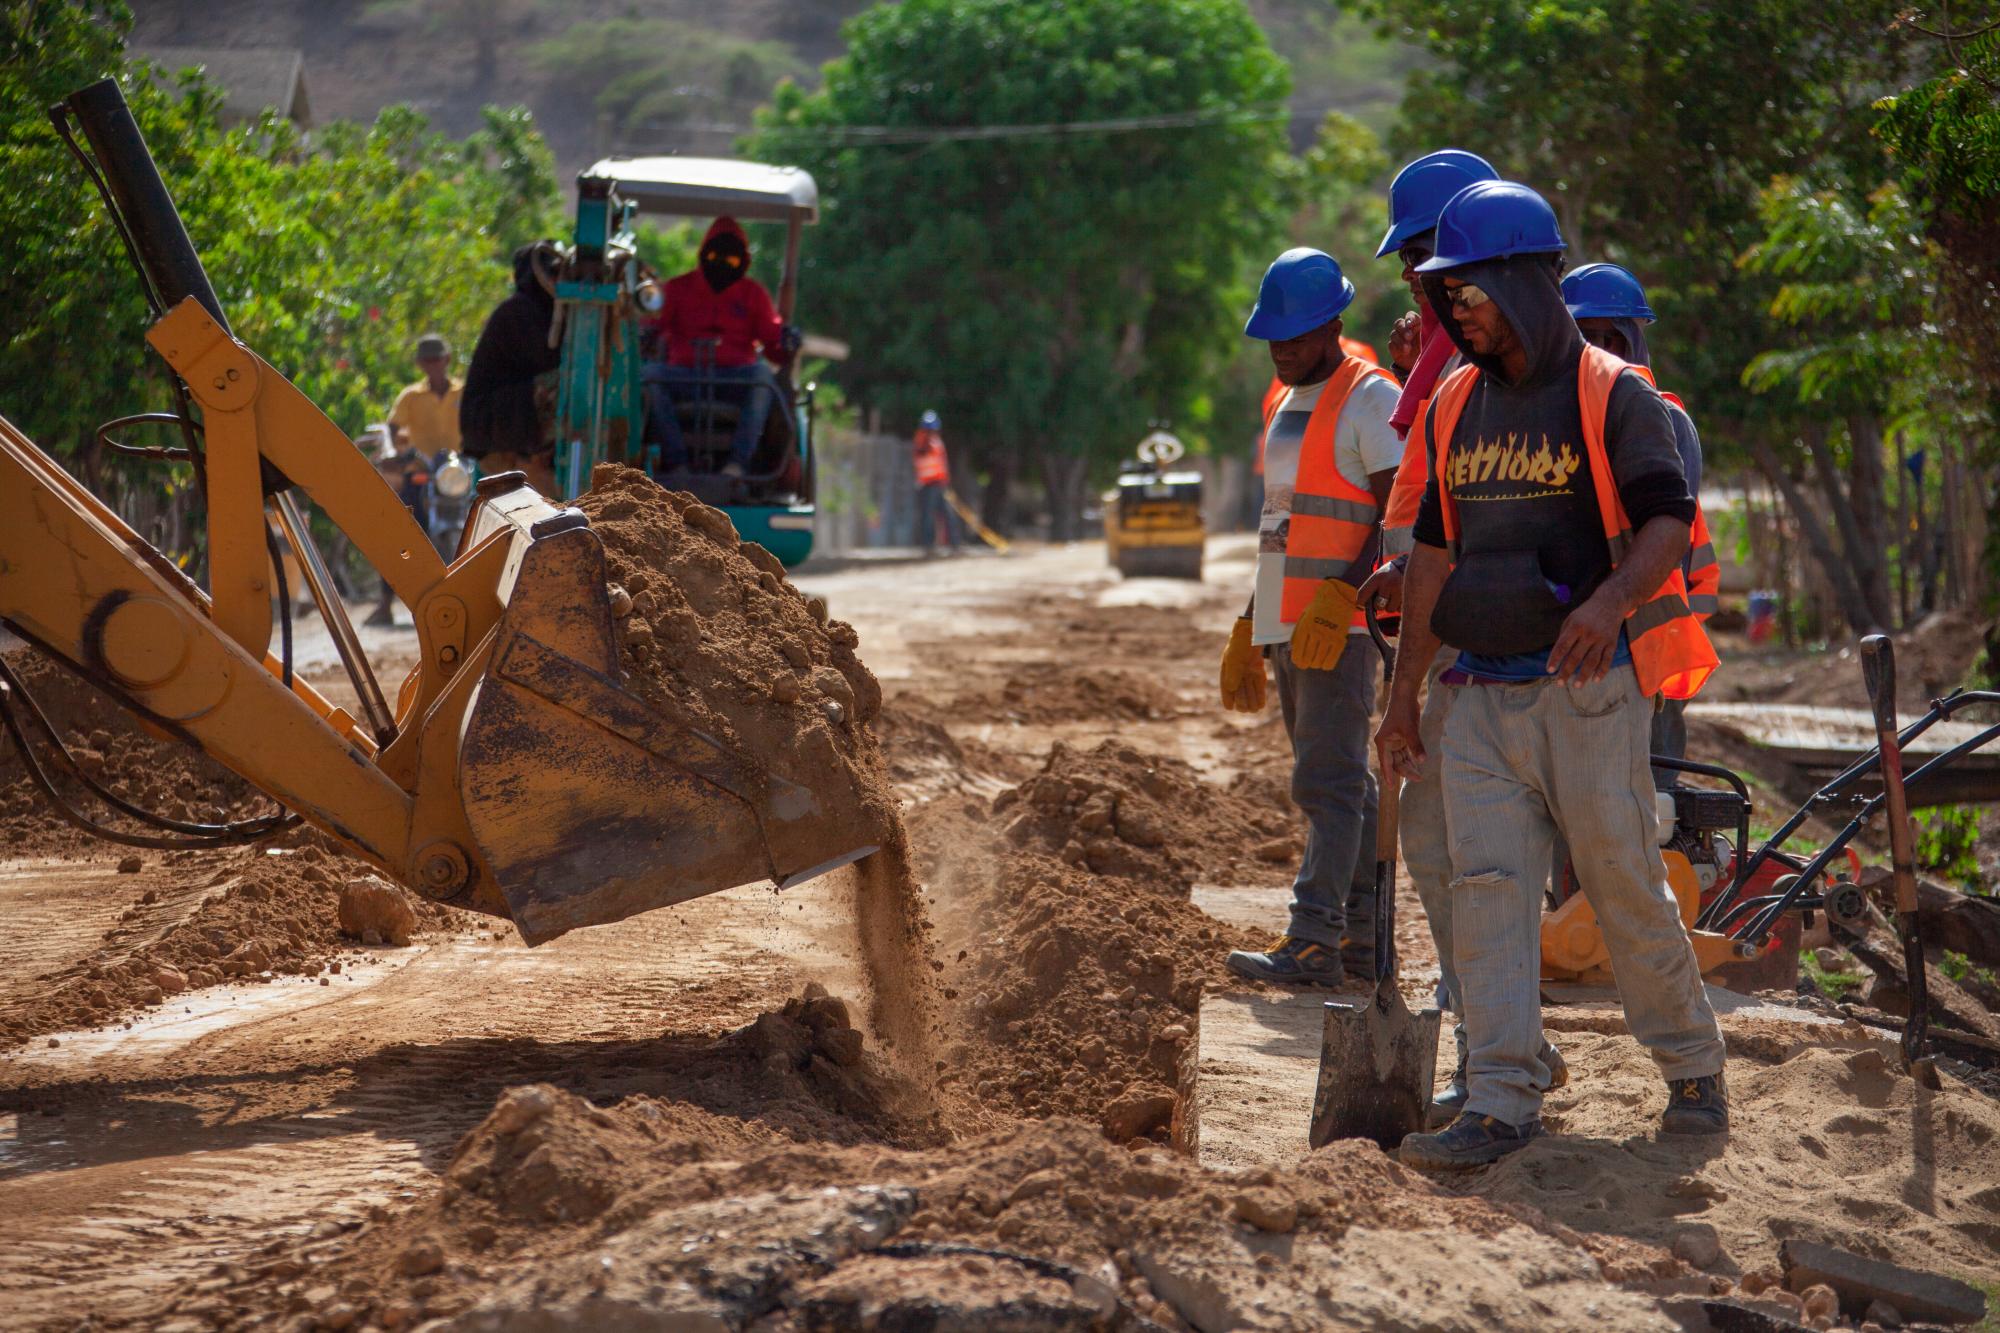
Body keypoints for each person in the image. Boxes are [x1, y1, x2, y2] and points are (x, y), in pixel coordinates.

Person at [1375, 180, 1726, 1170]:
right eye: (1446, 294)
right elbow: (1431, 557)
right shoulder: (1454, 402)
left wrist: (1609, 602)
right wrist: (1402, 700)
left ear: (1525, 280)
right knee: (1487, 888)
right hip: (1481, 695)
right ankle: (1499, 1096)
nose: (1455, 310)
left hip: (1589, 691)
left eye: (1469, 291)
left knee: (1620, 880)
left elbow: (1667, 519)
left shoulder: (1611, 393)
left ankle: (1692, 1065)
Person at [1360, 148, 1570, 1127]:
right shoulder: (1444, 353)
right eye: (1411, 261)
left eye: (1424, 256)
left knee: (1462, 846)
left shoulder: (1493, 356)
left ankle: (1497, 1044)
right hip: (1437, 620)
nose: (1414, 276)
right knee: (1448, 844)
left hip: (1477, 636)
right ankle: (1502, 1035)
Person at [1219, 248, 1402, 986]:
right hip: (1291, 625)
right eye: (1273, 337)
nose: (1281, 349)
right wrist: (1252, 618)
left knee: (1326, 786)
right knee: (1342, 782)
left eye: (1294, 336)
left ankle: (1314, 939)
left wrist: (1348, 593)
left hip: (1342, 629)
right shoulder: (1285, 403)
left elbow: (1401, 514)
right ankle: (1361, 940)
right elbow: (1283, 523)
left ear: (1332, 325)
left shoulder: (1370, 397)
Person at [1561, 262, 1721, 786]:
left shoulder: (1664, 420)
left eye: (1610, 337)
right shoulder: (1559, 418)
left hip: (1649, 639)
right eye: (1584, 337)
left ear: (1633, 340)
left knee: (1649, 800)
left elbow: (1659, 532)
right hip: (1587, 637)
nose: (1598, 350)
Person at [643, 216, 796, 477]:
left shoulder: (753, 294)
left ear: (743, 262)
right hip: (685, 378)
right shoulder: (678, 289)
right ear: (704, 254)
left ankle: (737, 465)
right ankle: (676, 463)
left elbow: (774, 346)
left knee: (762, 377)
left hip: (734, 381)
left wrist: (787, 343)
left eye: (732, 261)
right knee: (649, 376)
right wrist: (644, 329)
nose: (722, 264)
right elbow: (652, 323)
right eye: (715, 256)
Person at [461, 243, 561, 496]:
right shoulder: (519, 311)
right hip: (495, 430)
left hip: (509, 425)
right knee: (565, 385)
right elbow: (548, 359)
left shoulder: (542, 311)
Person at [912, 410, 955, 554]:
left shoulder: (937, 442)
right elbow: (921, 454)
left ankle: (955, 545)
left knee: (948, 514)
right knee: (928, 517)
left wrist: (945, 481)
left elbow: (942, 463)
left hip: (940, 484)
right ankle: (928, 546)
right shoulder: (921, 442)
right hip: (927, 485)